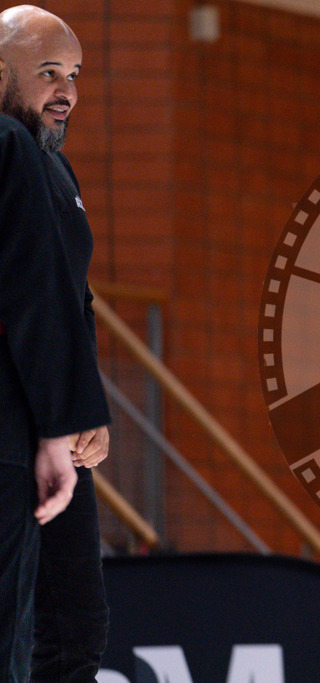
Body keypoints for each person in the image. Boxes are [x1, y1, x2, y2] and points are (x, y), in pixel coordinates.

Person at [0, 5, 111, 681]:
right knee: (10, 627)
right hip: (21, 422)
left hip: (53, 423)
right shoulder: (8, 150)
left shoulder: (54, 170)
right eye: (48, 73)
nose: (66, 89)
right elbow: (30, 295)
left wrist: (83, 408)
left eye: (73, 74)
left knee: (76, 623)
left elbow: (71, 299)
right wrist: (67, 410)